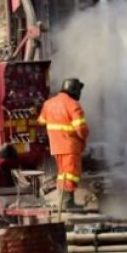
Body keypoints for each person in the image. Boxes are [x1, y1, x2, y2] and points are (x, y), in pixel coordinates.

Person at [38, 78, 90, 210]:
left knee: (63, 173)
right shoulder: (74, 105)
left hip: (56, 146)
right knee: (71, 173)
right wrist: (84, 140)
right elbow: (81, 129)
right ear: (74, 90)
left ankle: (64, 201)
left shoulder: (49, 104)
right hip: (70, 145)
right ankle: (68, 203)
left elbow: (41, 121)